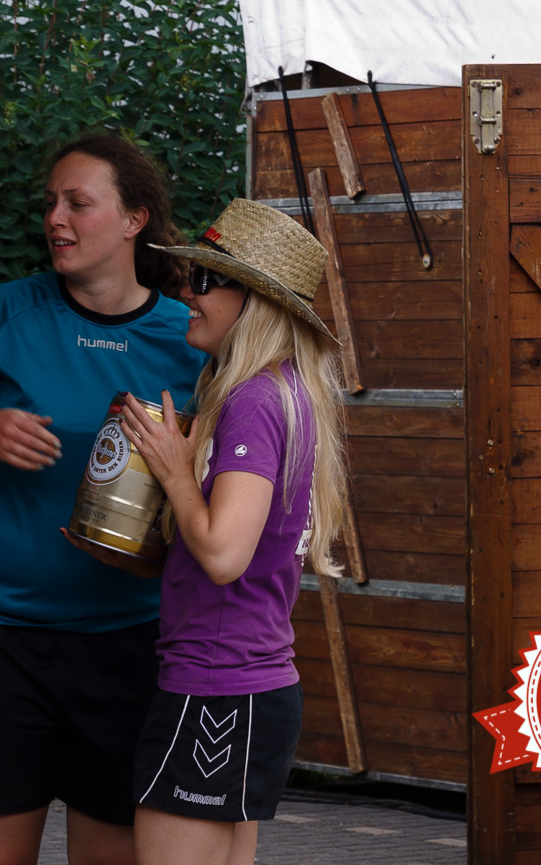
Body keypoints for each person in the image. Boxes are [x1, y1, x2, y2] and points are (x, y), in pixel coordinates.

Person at [0, 135, 207, 865]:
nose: (56, 218)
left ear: (135, 218)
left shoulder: (191, 336)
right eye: (50, 203)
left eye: (79, 202)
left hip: (130, 642)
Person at [98, 199, 347, 865]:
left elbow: (226, 554)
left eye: (206, 281)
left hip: (216, 689)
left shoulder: (253, 401)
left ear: (256, 301)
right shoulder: (283, 390)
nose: (186, 292)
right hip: (248, 687)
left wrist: (177, 472)